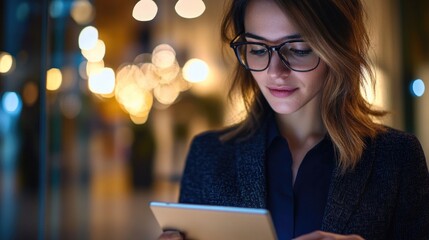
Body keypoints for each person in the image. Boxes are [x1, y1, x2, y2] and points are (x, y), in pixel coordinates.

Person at [158, 0, 429, 239]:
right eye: (258, 49)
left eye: (299, 49)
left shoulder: (397, 158)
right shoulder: (208, 155)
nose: (275, 72)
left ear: (337, 48)